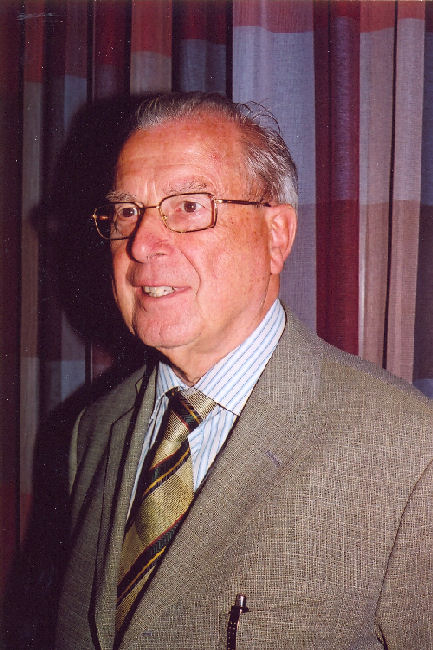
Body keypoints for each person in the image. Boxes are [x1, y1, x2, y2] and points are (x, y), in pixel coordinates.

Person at [56, 92, 433, 649]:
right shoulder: (93, 430)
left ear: (276, 235)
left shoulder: (409, 450)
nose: (142, 243)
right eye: (128, 211)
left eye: (189, 206)